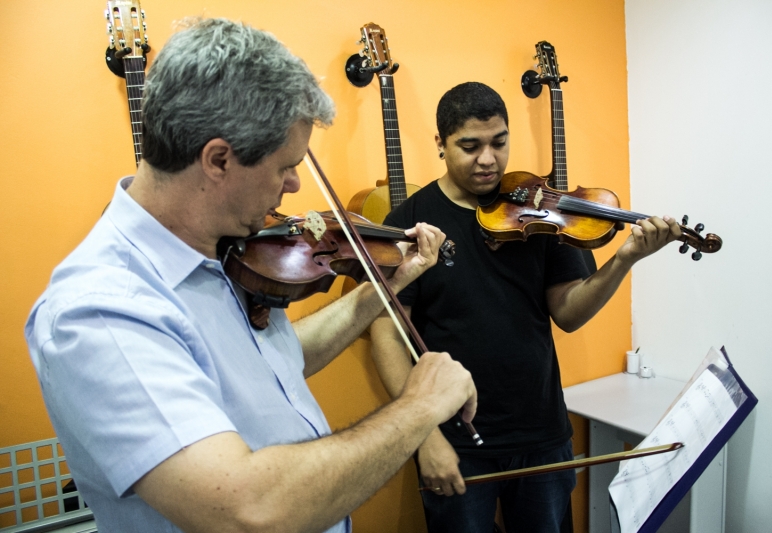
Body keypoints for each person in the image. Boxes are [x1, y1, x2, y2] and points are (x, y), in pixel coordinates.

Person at [24, 19, 477, 533]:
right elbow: (246, 511)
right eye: (285, 164)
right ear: (218, 159)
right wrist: (417, 409)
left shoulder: (223, 254)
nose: (294, 183)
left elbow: (276, 364)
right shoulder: (102, 309)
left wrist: (386, 287)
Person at [370, 82, 682, 533]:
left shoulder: (541, 210)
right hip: (456, 440)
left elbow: (569, 312)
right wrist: (423, 436)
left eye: (499, 142)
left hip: (542, 433)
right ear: (439, 143)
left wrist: (624, 259)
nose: (488, 160)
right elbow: (385, 333)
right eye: (469, 146)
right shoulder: (409, 222)